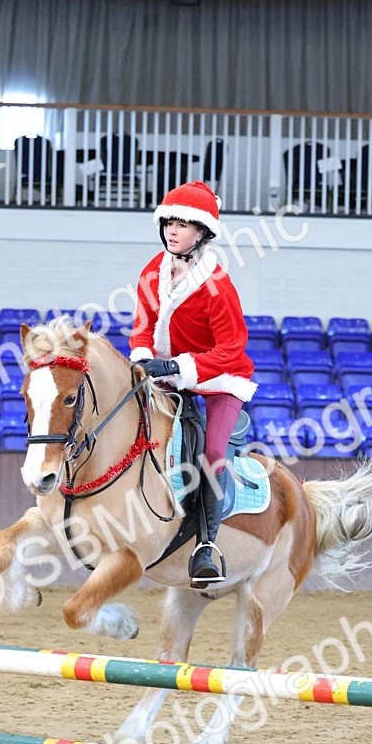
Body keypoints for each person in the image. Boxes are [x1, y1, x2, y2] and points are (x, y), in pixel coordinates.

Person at [128, 180, 256, 588]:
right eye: (169, 221)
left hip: (220, 378)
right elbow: (141, 330)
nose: (173, 230)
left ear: (201, 233)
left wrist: (177, 366)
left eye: (183, 224)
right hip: (168, 375)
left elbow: (232, 348)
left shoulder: (218, 286)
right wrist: (143, 360)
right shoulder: (152, 271)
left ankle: (207, 545)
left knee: (214, 449)